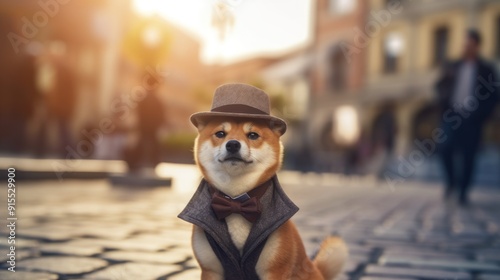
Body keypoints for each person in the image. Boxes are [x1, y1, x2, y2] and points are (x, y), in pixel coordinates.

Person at [435, 29, 499, 206]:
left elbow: (494, 95)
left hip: (472, 118)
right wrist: (443, 99)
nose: (466, 48)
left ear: (477, 46)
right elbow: (439, 85)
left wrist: (481, 115)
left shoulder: (486, 69)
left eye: (470, 44)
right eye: (464, 44)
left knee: (468, 155)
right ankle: (451, 181)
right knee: (444, 148)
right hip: (452, 114)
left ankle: (463, 192)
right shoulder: (453, 65)